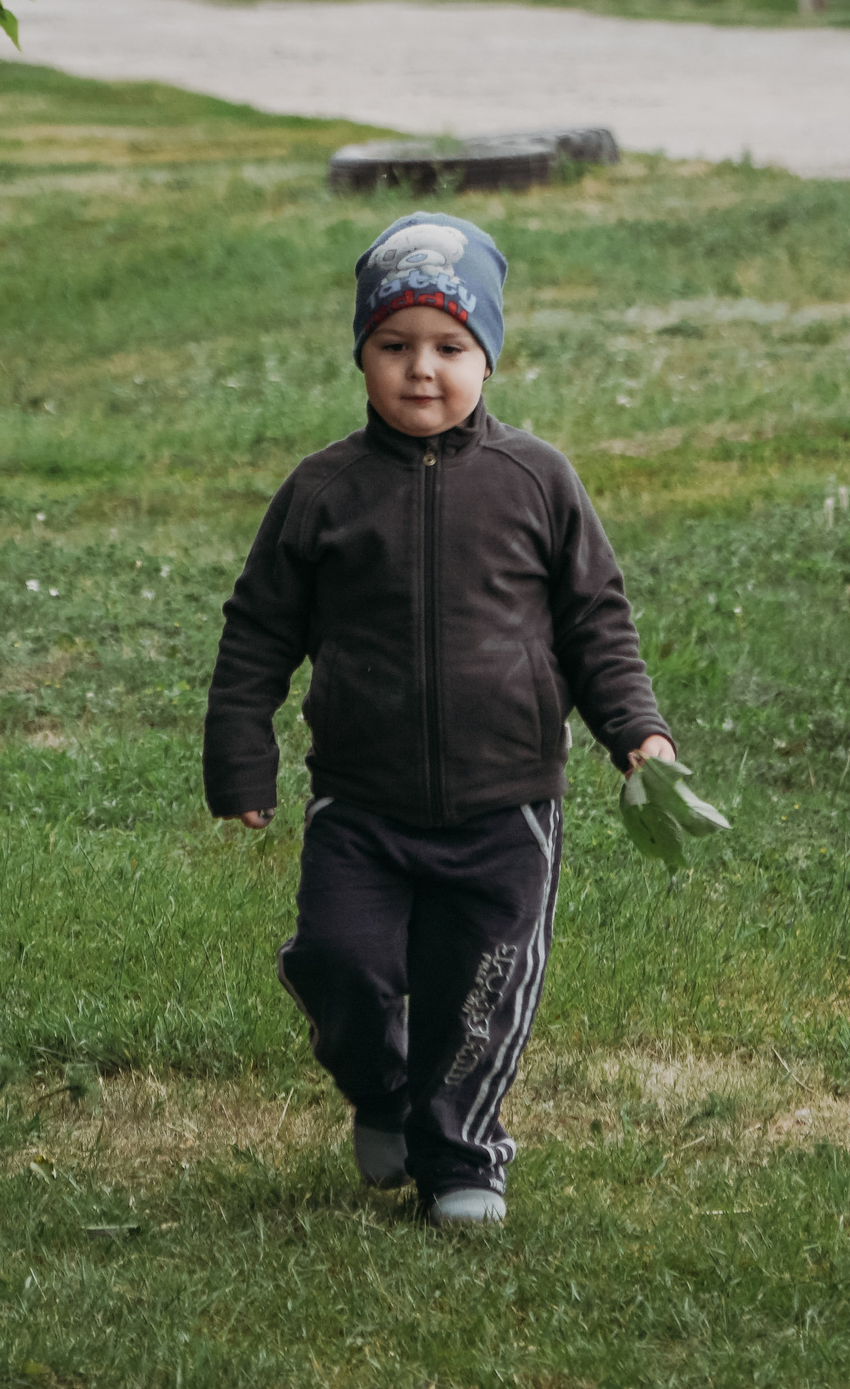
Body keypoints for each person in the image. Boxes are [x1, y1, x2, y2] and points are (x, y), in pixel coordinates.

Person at [203, 212, 676, 1227]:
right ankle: (381, 1091)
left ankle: (461, 1158)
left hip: (505, 808)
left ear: (488, 356)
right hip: (362, 806)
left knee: (478, 994)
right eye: (394, 346)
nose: (422, 371)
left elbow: (597, 620)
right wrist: (241, 760)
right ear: (361, 355)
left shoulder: (536, 481)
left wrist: (636, 732)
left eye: (450, 347)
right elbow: (256, 634)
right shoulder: (322, 493)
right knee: (340, 961)